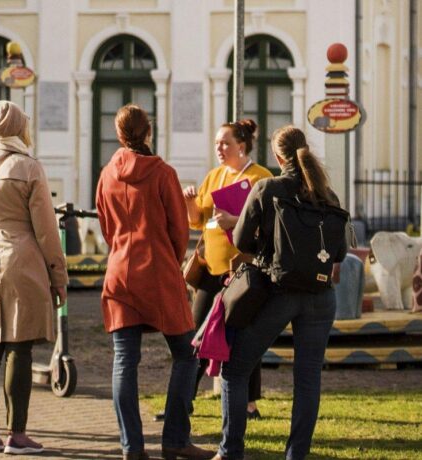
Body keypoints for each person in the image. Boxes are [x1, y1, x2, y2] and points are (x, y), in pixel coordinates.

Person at [212, 125, 347, 460]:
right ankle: (296, 455)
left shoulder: (267, 188)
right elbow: (340, 252)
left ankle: (230, 452)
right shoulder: (327, 194)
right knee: (308, 380)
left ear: (277, 156)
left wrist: (266, 241)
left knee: (236, 368)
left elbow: (241, 241)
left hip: (278, 292)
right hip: (321, 295)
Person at [96, 104, 215, 460]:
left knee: (124, 360)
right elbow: (179, 231)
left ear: (119, 135)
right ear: (148, 132)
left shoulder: (107, 174)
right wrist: (169, 260)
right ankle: (175, 439)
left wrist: (121, 249)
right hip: (159, 272)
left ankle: (132, 447)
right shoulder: (163, 174)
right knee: (187, 355)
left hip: (120, 271)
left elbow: (106, 227)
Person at [0, 100, 68, 455]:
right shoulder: (29, 167)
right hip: (23, 259)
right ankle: (16, 435)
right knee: (19, 345)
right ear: (20, 126)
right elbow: (46, 230)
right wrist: (58, 275)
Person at [180, 120, 272, 419]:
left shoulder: (261, 178)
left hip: (244, 272)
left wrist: (235, 220)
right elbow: (198, 221)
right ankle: (184, 400)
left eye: (225, 143)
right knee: (197, 334)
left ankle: (249, 404)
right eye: (217, 143)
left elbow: (270, 225)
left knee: (245, 337)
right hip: (212, 270)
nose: (219, 148)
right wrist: (190, 202)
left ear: (241, 146)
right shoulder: (214, 175)